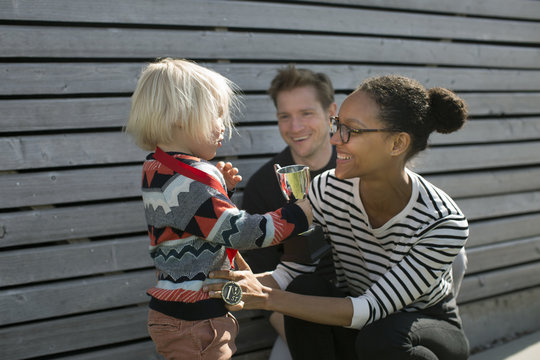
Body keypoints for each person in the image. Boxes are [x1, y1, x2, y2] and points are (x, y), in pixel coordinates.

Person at [207, 74, 471, 359]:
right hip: (360, 323)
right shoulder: (325, 188)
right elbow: (292, 272)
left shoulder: (444, 222)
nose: (335, 139)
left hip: (423, 330)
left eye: (351, 131)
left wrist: (267, 298)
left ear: (397, 144)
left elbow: (369, 309)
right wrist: (235, 285)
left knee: (383, 336)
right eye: (337, 126)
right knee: (305, 288)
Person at [124, 58, 312, 360]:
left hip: (181, 314)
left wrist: (218, 189)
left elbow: (190, 222)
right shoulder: (187, 182)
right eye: (217, 116)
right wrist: (298, 215)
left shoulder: (159, 168)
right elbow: (239, 232)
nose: (224, 127)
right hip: (196, 321)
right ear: (181, 116)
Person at [241, 65, 337, 359]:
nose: (295, 127)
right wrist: (310, 348)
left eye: (306, 113)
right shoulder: (261, 186)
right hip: (302, 314)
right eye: (285, 116)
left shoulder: (358, 166)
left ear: (331, 113)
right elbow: (261, 282)